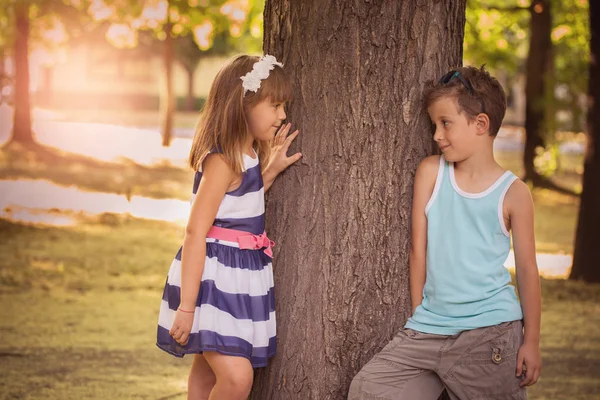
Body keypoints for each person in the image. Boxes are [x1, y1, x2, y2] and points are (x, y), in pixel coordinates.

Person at [348, 66, 542, 400]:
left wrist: (532, 341)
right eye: (434, 125)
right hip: (427, 329)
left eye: (445, 123)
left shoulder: (514, 193)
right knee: (368, 389)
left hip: (490, 333)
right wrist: (418, 314)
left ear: (480, 124)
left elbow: (527, 269)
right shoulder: (431, 172)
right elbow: (417, 251)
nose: (437, 135)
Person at [156, 54, 302, 400]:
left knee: (207, 376)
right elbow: (195, 232)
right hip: (213, 279)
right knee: (237, 379)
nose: (282, 115)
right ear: (243, 104)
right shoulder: (222, 160)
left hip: (241, 277)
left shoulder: (248, 154)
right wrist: (187, 307)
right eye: (276, 105)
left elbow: (239, 204)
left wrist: (271, 170)